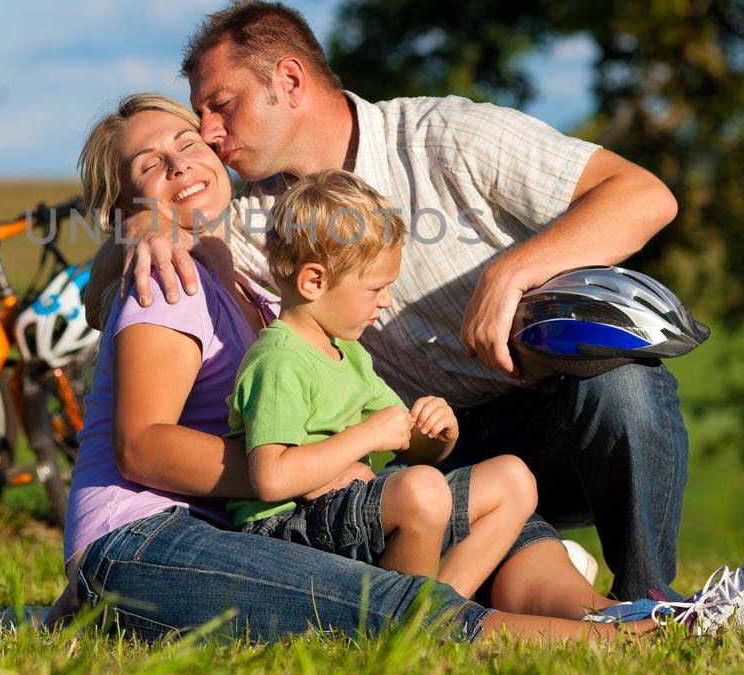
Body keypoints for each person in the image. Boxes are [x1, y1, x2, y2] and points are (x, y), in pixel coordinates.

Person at [13, 92, 744, 645]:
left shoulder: (246, 265)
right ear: (126, 204)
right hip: (147, 539)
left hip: (252, 512)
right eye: (151, 165)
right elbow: (143, 449)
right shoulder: (166, 272)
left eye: (188, 139)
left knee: (496, 503)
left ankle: (626, 611)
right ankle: (647, 640)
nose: (183, 159)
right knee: (384, 604)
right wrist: (296, 468)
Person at [88, 0, 689, 601]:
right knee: (510, 564)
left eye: (222, 106)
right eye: (201, 116)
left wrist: (512, 272)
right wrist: (145, 226)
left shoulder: (447, 138)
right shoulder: (247, 222)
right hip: (402, 455)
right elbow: (100, 298)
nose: (210, 135)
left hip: (553, 430)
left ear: (290, 81)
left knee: (624, 385)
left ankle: (651, 600)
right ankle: (542, 602)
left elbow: (644, 196)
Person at [229, 169, 537, 600]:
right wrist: (364, 437)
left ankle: (441, 611)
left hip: (348, 508)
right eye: (376, 288)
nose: (386, 300)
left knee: (513, 478)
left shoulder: (349, 353)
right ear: (314, 281)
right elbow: (271, 478)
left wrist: (437, 432)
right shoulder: (279, 360)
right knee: (420, 491)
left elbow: (411, 447)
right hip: (286, 529)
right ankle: (405, 619)